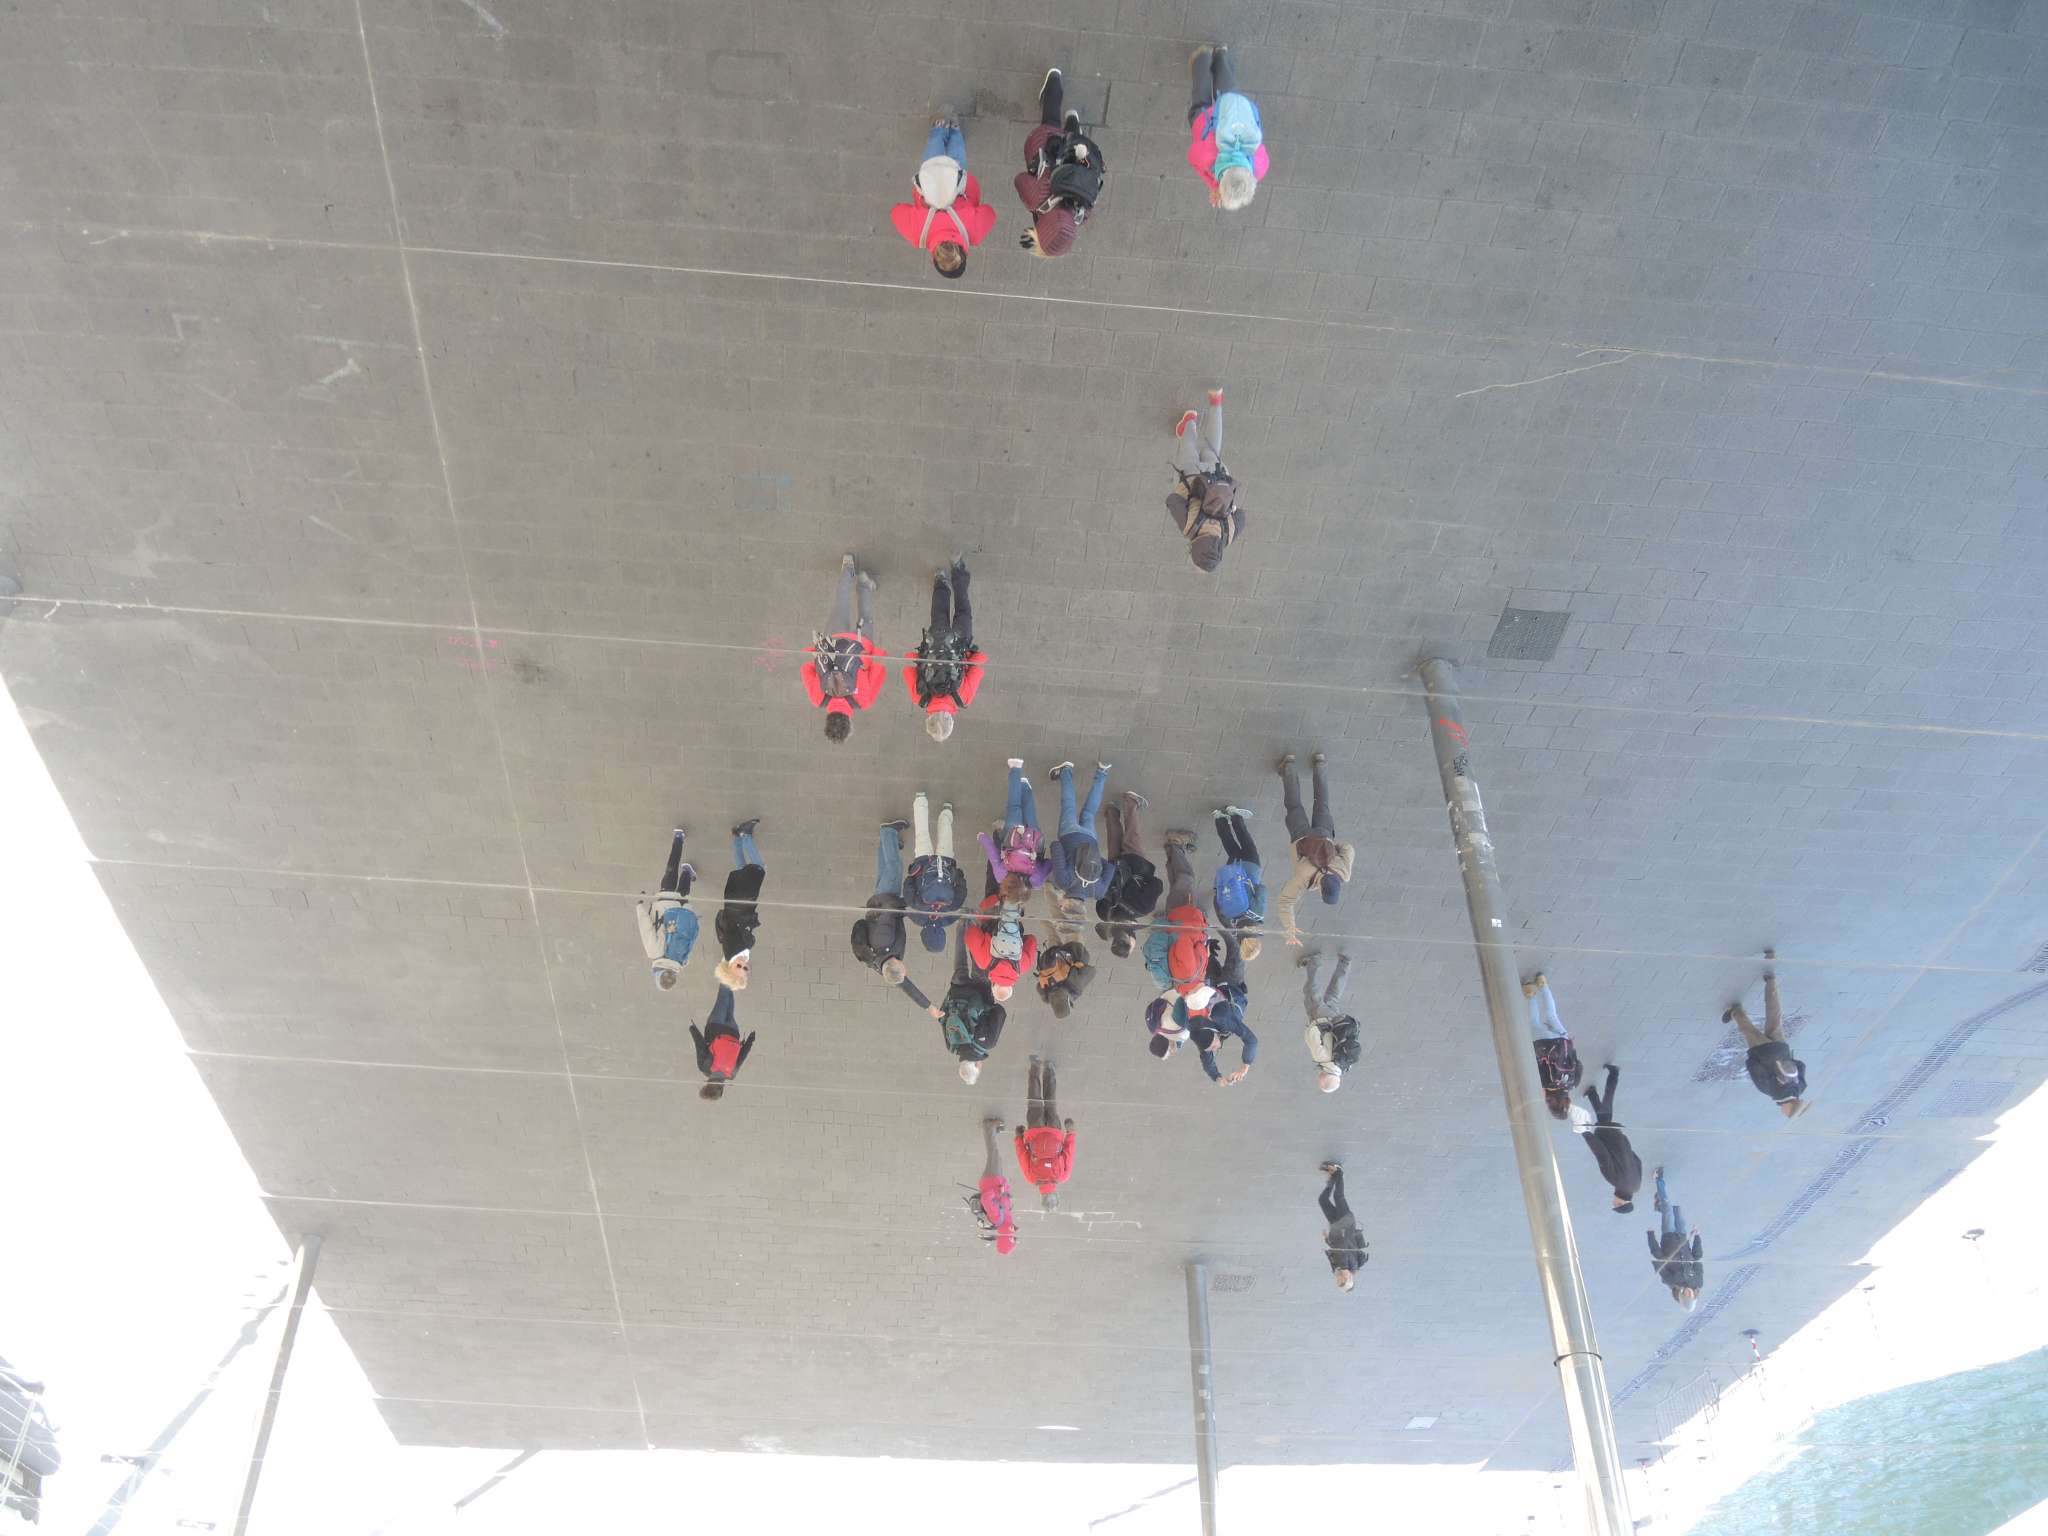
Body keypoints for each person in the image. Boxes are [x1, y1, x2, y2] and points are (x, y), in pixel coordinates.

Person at [850, 819, 942, 1017]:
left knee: (894, 867)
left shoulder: (884, 940)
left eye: (903, 969)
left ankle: (888, 832)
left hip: (884, 900)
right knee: (884, 870)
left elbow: (890, 910)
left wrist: (910, 908)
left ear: (897, 965)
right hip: (878, 906)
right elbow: (907, 987)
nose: (906, 971)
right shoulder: (884, 967)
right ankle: (886, 844)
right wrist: (929, 1007)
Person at [890, 117, 998, 280]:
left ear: (963, 255)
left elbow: (989, 212)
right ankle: (939, 128)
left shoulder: (975, 233)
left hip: (956, 178)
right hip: (930, 177)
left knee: (957, 155)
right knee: (933, 153)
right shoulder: (918, 234)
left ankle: (955, 130)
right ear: (934, 259)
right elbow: (896, 211)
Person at [1014, 67, 1106, 257]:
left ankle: (1072, 120)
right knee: (1050, 119)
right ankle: (1053, 81)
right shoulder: (1036, 200)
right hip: (1046, 142)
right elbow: (1020, 180)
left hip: (1077, 154)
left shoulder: (1080, 216)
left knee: (1072, 141)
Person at [800, 555, 886, 743]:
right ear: (827, 720)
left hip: (861, 644)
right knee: (841, 603)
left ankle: (864, 584)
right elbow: (806, 669)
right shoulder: (817, 699)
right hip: (833, 640)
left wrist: (876, 654)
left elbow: (879, 670)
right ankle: (847, 567)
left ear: (850, 724)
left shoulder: (864, 702)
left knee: (866, 616)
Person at [1274, 752, 1354, 944]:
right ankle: (1288, 767)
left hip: (1324, 833)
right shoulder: (1305, 879)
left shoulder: (1344, 873)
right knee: (1294, 805)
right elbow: (1285, 901)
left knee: (1322, 803)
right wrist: (1290, 928)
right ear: (1320, 890)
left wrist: (1333, 845)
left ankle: (1320, 764)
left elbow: (1348, 848)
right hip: (1300, 835)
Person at [903, 559, 985, 741]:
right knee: (939, 613)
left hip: (961, 642)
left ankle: (958, 570)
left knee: (963, 612)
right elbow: (907, 671)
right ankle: (940, 580)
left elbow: (977, 668)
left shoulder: (963, 699)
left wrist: (975, 655)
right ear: (928, 719)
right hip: (936, 641)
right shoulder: (920, 699)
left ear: (951, 722)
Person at [1166, 391, 1246, 574]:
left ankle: (1216, 402)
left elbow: (1241, 516)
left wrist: (1230, 507)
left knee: (1212, 448)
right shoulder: (1189, 528)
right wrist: (1185, 488)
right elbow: (1173, 500)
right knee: (1189, 450)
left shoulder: (1228, 535)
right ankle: (1189, 422)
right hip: (1194, 475)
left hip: (1219, 476)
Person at [1726, 950, 1809, 1119]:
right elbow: (1756, 1072)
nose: (1783, 1113)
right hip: (1763, 1052)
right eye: (1786, 1113)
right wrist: (1751, 1058)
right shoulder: (1775, 1093)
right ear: (1789, 1107)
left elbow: (1801, 1065)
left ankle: (1771, 981)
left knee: (1774, 1015)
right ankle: (1735, 1011)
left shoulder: (1800, 1088)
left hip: (1782, 1049)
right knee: (1747, 1029)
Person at [1187, 45, 1269, 210]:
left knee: (1228, 90)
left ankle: (1221, 55)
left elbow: (1261, 148)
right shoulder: (1206, 158)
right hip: (1205, 119)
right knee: (1200, 101)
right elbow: (1192, 157)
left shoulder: (1261, 167)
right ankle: (1202, 58)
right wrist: (1213, 186)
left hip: (1233, 115)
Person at [1094, 791, 1162, 957]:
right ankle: (1111, 811)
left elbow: (1157, 884)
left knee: (1132, 835)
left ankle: (1131, 801)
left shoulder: (1143, 908)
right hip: (1113, 868)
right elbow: (1100, 894)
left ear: (1132, 939)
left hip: (1136, 865)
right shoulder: (1104, 915)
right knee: (1114, 841)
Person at [1568, 1064, 1644, 1212]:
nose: (1613, 1202)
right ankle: (1614, 1074)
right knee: (1607, 1108)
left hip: (1620, 1140)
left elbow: (1637, 1160)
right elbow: (1602, 1154)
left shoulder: (1636, 1186)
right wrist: (1586, 1133)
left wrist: (1625, 1150)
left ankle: (1592, 1094)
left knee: (1604, 1117)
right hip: (1608, 1139)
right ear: (1620, 1203)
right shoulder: (1614, 1181)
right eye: (1615, 1204)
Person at [1143, 830, 1210, 996]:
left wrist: (1202, 949)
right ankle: (1172, 851)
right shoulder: (1169, 983)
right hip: (1172, 921)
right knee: (1176, 885)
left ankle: (1175, 843)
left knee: (1186, 879)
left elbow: (1185, 943)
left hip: (1185, 920)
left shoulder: (1190, 975)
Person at [938, 925, 1007, 1083]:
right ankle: (963, 925)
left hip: (981, 991)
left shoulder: (987, 1043)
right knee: (960, 963)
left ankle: (977, 926)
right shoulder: (952, 1047)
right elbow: (944, 1020)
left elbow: (999, 1012)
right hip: (957, 992)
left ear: (976, 1065)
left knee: (978, 963)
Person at [633, 827, 699, 990]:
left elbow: (690, 939)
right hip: (664, 907)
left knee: (683, 893)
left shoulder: (682, 962)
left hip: (683, 910)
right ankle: (678, 838)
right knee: (670, 871)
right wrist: (639, 906)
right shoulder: (653, 953)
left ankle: (687, 872)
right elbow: (646, 928)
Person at [905, 789, 968, 953]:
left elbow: (961, 890)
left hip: (945, 864)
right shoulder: (916, 917)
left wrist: (957, 874)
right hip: (922, 864)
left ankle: (946, 812)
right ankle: (920, 800)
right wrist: (912, 874)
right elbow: (908, 889)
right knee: (922, 834)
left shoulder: (950, 916)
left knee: (945, 836)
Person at [963, 868, 1038, 1000]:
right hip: (993, 904)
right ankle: (995, 861)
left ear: (1011, 986)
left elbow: (1032, 940)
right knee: (994, 875)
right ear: (993, 984)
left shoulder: (1022, 966)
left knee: (1019, 878)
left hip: (1014, 907)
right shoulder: (984, 963)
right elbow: (972, 934)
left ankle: (1020, 863)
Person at [1014, 1056, 1076, 1209]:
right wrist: (1018, 1137)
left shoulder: (1062, 1177)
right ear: (1041, 1196)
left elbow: (1069, 1153)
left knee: (1051, 1102)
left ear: (1055, 1194)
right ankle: (1035, 1066)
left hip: (1054, 1131)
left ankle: (1049, 1069)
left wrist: (1071, 1132)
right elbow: (1022, 1155)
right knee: (1034, 1101)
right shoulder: (1032, 1178)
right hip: (1035, 1132)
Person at [1047, 761, 1113, 902]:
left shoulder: (1098, 892)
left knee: (1090, 812)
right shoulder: (1064, 882)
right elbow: (1056, 846)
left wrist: (1093, 854)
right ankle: (1065, 771)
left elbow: (1110, 867)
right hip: (1069, 835)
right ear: (1066, 902)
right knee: (1069, 804)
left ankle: (1102, 772)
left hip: (1091, 839)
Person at [978, 758, 1048, 888]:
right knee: (1013, 806)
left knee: (1030, 814)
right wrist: (982, 838)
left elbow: (1048, 864)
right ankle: (1015, 769)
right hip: (1011, 838)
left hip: (1033, 840)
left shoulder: (1036, 883)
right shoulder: (1001, 877)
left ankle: (1025, 787)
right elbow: (993, 855)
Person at [714, 818, 765, 994]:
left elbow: (733, 926)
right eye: (745, 969)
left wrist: (748, 923)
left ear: (729, 965)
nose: (743, 965)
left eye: (738, 967)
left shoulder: (732, 948)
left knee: (759, 868)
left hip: (741, 902)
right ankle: (737, 837)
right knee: (742, 868)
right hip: (739, 904)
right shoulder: (738, 951)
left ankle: (746, 834)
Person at [1523, 972, 1583, 1119]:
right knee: (1534, 1022)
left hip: (1562, 1041)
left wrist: (1569, 1046)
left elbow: (1579, 1064)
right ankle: (1530, 992)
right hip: (1543, 1044)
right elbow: (1536, 1065)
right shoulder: (1546, 1084)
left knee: (1552, 1015)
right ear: (1552, 1104)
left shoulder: (1573, 1084)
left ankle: (1542, 984)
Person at [1210, 804, 1265, 960]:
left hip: (1250, 869)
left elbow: (1262, 890)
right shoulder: (1231, 924)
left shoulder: (1256, 915)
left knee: (1247, 842)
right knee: (1231, 848)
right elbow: (1218, 903)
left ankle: (1235, 815)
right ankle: (1219, 819)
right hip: (1232, 873)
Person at [1300, 950, 1359, 1094]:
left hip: (1339, 1022)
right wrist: (1314, 1021)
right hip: (1322, 1020)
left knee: (1333, 996)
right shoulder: (1322, 1059)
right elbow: (1312, 1034)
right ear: (1322, 1078)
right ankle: (1314, 961)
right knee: (1311, 993)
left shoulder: (1345, 1066)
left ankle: (1345, 963)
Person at [1647, 1167, 1704, 1309]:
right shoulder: (1698, 1282)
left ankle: (1659, 1178)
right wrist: (1697, 1235)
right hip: (1682, 1236)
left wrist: (1651, 1236)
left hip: (1668, 1237)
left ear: (1681, 1296)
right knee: (1674, 1210)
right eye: (1692, 1296)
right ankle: (1659, 1206)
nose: (1689, 1293)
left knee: (1668, 1208)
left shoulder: (1671, 1281)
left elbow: (1658, 1259)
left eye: (1686, 1296)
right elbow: (1697, 1258)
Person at [690, 983, 755, 1102]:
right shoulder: (705, 1069)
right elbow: (700, 1046)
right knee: (724, 995)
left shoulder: (731, 1075)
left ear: (721, 1089)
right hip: (715, 1027)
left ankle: (733, 975)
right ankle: (728, 972)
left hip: (733, 1032)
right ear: (706, 1086)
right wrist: (692, 1029)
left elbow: (742, 1056)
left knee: (729, 999)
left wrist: (750, 1040)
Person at [1317, 1162, 1368, 1293]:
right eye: (1341, 1281)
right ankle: (1338, 1171)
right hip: (1346, 1222)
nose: (1338, 1279)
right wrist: (1342, 1263)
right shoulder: (1349, 1264)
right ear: (1349, 1278)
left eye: (1338, 1282)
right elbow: (1343, 1244)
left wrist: (1327, 1240)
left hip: (1336, 1225)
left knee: (1323, 1200)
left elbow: (1334, 1249)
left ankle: (1332, 1178)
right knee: (1338, 1196)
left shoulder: (1338, 1267)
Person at [971, 1117, 1018, 1254]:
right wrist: (1005, 1189)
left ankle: (989, 1127)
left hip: (991, 1181)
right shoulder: (1006, 1222)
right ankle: (992, 1132)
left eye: (1012, 1239)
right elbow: (1005, 1201)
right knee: (995, 1156)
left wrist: (997, 1190)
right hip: (998, 1181)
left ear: (1006, 1238)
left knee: (994, 1153)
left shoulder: (997, 1219)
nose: (1014, 1236)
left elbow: (986, 1199)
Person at [1034, 928, 1094, 1020]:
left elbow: (1091, 971)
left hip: (1072, 952)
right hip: (1052, 957)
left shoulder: (1075, 989)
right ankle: (1048, 921)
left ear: (1068, 1003)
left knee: (1073, 931)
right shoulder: (1045, 995)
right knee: (1052, 936)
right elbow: (1039, 985)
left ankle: (1068, 924)